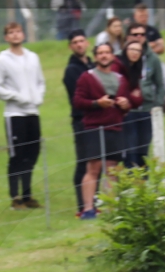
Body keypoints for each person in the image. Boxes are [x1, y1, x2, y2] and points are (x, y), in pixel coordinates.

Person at [73, 42, 143, 219]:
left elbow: (128, 102)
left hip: (115, 126)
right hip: (94, 127)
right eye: (100, 53)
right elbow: (78, 102)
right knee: (93, 168)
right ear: (95, 57)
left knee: (112, 170)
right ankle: (88, 209)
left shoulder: (120, 79)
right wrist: (97, 103)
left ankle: (110, 208)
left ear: (113, 56)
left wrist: (125, 105)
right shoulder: (86, 77)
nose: (104, 56)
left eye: (107, 52)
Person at [0, 22, 46, 210]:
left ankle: (28, 194)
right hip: (15, 114)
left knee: (32, 153)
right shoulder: (2, 60)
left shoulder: (33, 58)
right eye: (11, 33)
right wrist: (16, 97)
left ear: (23, 34)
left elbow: (40, 82)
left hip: (32, 112)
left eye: (18, 32)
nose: (15, 35)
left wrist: (37, 97)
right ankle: (15, 197)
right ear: (6, 37)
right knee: (17, 155)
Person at [121, 28, 165, 168]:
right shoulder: (119, 60)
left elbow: (160, 85)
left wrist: (156, 105)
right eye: (135, 34)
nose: (139, 37)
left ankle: (143, 186)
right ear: (127, 37)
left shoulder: (153, 59)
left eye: (142, 34)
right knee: (130, 152)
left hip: (146, 110)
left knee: (143, 153)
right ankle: (130, 186)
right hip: (128, 112)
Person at [64, 29, 95, 214]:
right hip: (82, 120)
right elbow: (80, 95)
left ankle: (94, 201)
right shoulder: (71, 70)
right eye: (75, 42)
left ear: (87, 43)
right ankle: (82, 205)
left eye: (82, 41)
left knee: (97, 163)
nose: (79, 44)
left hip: (97, 119)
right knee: (83, 162)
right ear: (71, 46)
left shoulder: (92, 64)